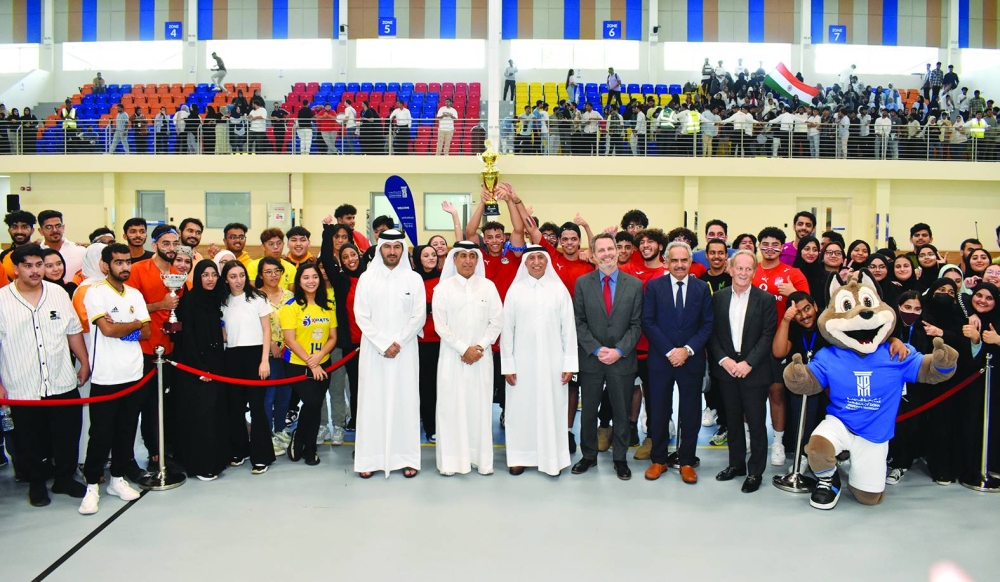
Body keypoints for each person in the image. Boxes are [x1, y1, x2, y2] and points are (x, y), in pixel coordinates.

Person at [0, 244, 90, 508]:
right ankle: (37, 483)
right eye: (27, 265)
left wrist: (84, 362)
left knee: (67, 433)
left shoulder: (58, 293)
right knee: (30, 440)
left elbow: (72, 330)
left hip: (61, 378)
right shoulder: (3, 300)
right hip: (22, 385)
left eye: (39, 264)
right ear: (15, 269)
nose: (35, 270)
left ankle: (64, 478)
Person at [353, 230, 426, 479]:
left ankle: (407, 458)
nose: (392, 252)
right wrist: (383, 343)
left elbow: (419, 316)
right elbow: (361, 315)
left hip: (405, 352)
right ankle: (369, 458)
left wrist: (398, 342)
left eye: (397, 247)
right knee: (372, 402)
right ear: (379, 249)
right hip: (375, 352)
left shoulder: (413, 279)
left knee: (405, 402)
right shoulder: (366, 278)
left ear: (402, 250)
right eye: (387, 247)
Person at [641, 241, 714, 484]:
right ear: (666, 262)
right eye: (675, 260)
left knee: (691, 412)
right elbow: (648, 322)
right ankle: (659, 459)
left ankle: (686, 461)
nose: (680, 265)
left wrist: (688, 350)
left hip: (691, 361)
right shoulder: (654, 287)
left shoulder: (702, 288)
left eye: (684, 260)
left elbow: (707, 324)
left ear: (691, 263)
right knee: (659, 410)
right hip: (661, 360)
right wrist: (671, 351)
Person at [502, 245, 579, 476]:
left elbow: (569, 330)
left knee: (551, 408)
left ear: (547, 261)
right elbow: (507, 330)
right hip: (521, 362)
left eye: (540, 257)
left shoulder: (559, 290)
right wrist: (508, 365)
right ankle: (519, 457)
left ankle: (551, 459)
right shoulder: (515, 291)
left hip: (553, 361)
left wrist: (569, 364)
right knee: (520, 409)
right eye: (532, 258)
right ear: (525, 263)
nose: (536, 262)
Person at [572, 234, 643, 481]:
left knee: (622, 412)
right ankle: (588, 455)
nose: (607, 254)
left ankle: (620, 459)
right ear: (593, 254)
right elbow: (578, 321)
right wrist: (596, 348)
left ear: (618, 251)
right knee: (589, 411)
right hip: (592, 359)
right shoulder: (582, 283)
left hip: (622, 359)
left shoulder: (634, 285)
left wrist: (619, 351)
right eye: (600, 250)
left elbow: (636, 324)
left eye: (610, 249)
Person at [709, 250, 778, 493]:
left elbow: (767, 335)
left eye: (749, 269)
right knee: (733, 420)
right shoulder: (718, 298)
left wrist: (749, 363)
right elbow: (713, 333)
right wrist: (724, 360)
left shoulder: (766, 300)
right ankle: (736, 464)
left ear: (754, 271)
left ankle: (755, 471)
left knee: (757, 423)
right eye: (739, 268)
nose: (743, 273)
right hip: (726, 371)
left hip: (754, 372)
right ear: (730, 268)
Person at [432, 241, 503, 476]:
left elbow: (496, 322)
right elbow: (441, 326)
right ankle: (452, 462)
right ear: (454, 259)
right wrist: (464, 349)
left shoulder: (488, 287)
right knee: (451, 408)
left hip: (481, 360)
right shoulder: (443, 289)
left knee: (479, 408)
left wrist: (479, 347)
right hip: (453, 358)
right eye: (462, 255)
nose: (468, 260)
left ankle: (480, 460)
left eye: (473, 256)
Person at [128, 223, 181, 472]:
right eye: (166, 243)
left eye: (174, 243)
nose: (171, 248)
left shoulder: (178, 273)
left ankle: (161, 452)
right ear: (155, 245)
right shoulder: (138, 270)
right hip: (143, 350)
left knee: (163, 407)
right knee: (142, 407)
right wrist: (161, 303)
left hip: (169, 351)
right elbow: (131, 310)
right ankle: (140, 457)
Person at [220, 260, 274, 474]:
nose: (238, 280)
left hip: (255, 355)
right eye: (233, 276)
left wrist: (264, 360)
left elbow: (266, 330)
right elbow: (225, 331)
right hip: (232, 356)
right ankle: (239, 450)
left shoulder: (257, 298)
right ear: (226, 279)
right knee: (235, 407)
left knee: (258, 408)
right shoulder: (222, 301)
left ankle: (262, 456)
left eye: (241, 275)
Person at [281, 262, 337, 466]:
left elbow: (332, 337)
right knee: (312, 402)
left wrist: (319, 357)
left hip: (324, 364)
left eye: (314, 277)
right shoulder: (291, 307)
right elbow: (290, 340)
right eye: (305, 277)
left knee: (315, 405)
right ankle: (304, 441)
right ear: (299, 281)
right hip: (297, 365)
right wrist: (311, 363)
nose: (311, 281)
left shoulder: (327, 306)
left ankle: (307, 446)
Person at [257, 256, 294, 453]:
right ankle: (266, 433)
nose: (273, 275)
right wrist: (271, 345)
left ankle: (280, 430)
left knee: (284, 393)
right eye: (268, 272)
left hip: (288, 352)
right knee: (268, 395)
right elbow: (256, 325)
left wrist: (287, 345)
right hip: (267, 352)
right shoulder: (255, 296)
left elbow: (295, 322)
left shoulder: (289, 295)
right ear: (261, 275)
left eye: (276, 271)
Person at [412, 245, 441, 442]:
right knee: (425, 385)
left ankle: (440, 424)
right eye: (426, 255)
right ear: (417, 259)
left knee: (441, 385)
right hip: (420, 341)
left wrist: (429, 308)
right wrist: (429, 308)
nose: (431, 258)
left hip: (442, 340)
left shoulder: (444, 278)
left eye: (433, 255)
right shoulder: (412, 280)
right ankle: (429, 425)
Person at [37, 210, 85, 284]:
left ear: (63, 228)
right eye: (49, 227)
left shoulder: (80, 251)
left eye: (58, 226)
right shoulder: (36, 253)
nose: (55, 230)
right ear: (41, 231)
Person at [2, 210, 35, 281]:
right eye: (14, 227)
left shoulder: (41, 253)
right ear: (9, 231)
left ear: (32, 230)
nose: (19, 231)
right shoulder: (4, 256)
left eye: (24, 227)